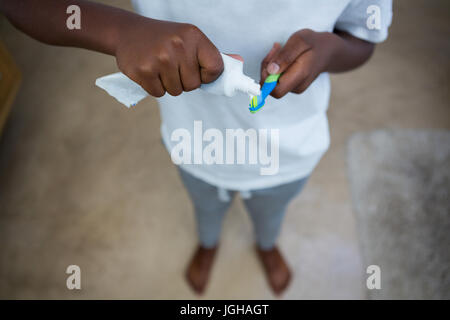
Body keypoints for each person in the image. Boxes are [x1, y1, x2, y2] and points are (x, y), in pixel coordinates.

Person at [0, 0, 392, 295]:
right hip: (194, 144)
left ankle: (267, 243)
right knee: (205, 205)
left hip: (290, 151)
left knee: (271, 211)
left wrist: (328, 51)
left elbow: (364, 37)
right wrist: (119, 30)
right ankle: (208, 243)